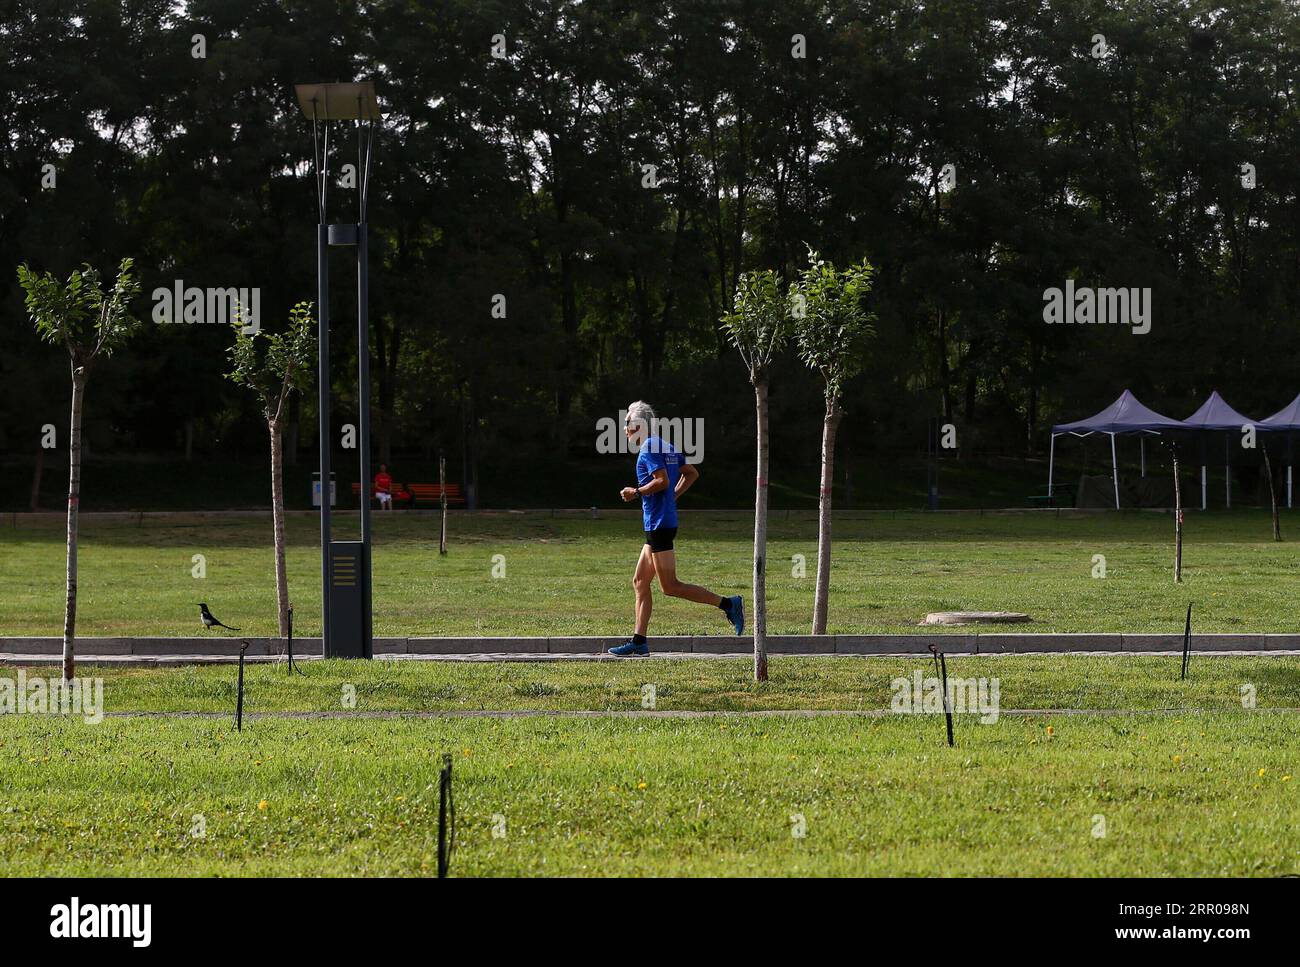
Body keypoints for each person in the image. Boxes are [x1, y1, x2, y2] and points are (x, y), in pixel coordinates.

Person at [609, 401, 743, 657]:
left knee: (670, 586)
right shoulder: (664, 445)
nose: (625, 428)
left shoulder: (648, 449)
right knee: (639, 582)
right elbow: (692, 473)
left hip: (659, 526)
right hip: (661, 523)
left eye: (627, 423)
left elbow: (662, 481)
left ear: (639, 425)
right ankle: (639, 642)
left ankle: (729, 604)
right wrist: (672, 497)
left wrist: (636, 492)